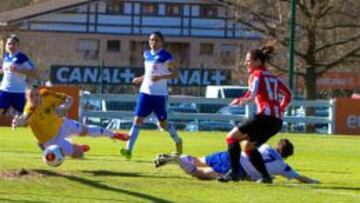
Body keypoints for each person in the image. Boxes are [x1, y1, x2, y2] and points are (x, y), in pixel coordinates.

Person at [218, 45, 292, 183]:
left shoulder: (256, 74)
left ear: (258, 61)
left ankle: (234, 173)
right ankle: (266, 177)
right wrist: (280, 109)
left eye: (248, 60)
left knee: (231, 138)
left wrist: (241, 100)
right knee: (248, 147)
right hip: (276, 122)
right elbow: (289, 95)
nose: (246, 63)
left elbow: (252, 94)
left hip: (264, 117)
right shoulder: (273, 77)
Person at [12, 85, 129, 159]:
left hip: (61, 124)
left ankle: (114, 134)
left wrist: (64, 107)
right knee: (79, 155)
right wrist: (17, 122)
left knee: (85, 130)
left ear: (40, 93)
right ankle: (78, 148)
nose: (35, 98)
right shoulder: (30, 109)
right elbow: (24, 119)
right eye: (31, 96)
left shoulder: (46, 94)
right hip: (50, 139)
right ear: (26, 97)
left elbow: (70, 99)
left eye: (36, 94)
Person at [120, 31, 183, 159]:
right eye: (151, 40)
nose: (153, 42)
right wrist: (141, 78)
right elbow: (149, 73)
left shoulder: (166, 56)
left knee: (163, 124)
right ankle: (128, 150)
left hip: (159, 96)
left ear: (161, 42)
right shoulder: (146, 54)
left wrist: (161, 77)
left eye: (156, 40)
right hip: (145, 93)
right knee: (137, 120)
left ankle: (178, 140)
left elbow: (176, 74)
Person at [154, 139, 320, 184]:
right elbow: (301, 178)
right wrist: (314, 181)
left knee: (198, 160)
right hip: (238, 169)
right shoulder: (282, 165)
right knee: (199, 173)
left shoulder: (265, 146)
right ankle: (177, 160)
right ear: (287, 155)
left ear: (278, 146)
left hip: (232, 155)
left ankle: (177, 158)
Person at [0, 34, 37, 115]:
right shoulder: (6, 57)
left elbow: (34, 72)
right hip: (4, 90)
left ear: (18, 45)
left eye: (14, 44)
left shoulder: (21, 57)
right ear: (6, 45)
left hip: (18, 91)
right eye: (9, 43)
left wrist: (19, 70)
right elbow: (5, 71)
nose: (11, 46)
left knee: (24, 115)